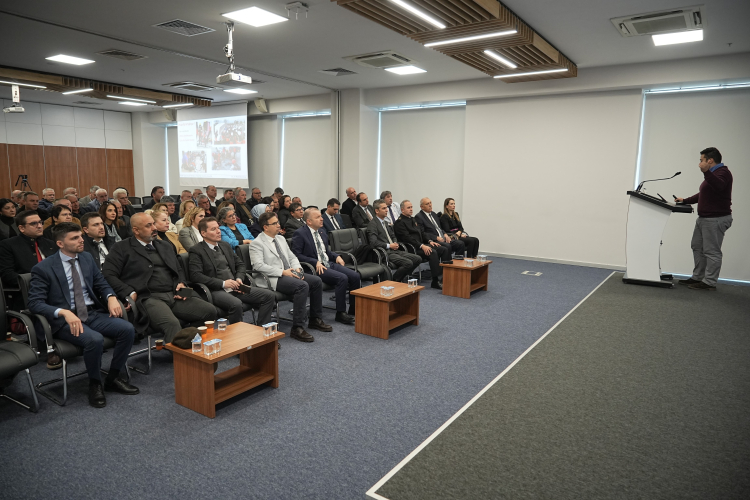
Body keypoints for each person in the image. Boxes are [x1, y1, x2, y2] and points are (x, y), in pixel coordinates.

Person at [28, 222, 138, 408]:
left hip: (91, 312)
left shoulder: (86, 258)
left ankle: (113, 377)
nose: (81, 240)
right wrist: (63, 312)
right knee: (94, 340)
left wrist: (111, 297)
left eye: (80, 236)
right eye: (75, 238)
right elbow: (34, 303)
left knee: (127, 329)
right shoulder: (43, 268)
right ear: (60, 243)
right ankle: (95, 383)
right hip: (65, 320)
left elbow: (101, 283)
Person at [102, 213, 216, 343]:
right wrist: (129, 292)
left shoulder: (164, 245)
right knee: (172, 324)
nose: (154, 228)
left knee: (209, 311)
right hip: (149, 297)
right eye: (148, 225)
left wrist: (182, 283)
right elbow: (108, 274)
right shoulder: (121, 248)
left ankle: (189, 343)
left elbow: (178, 269)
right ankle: (179, 353)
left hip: (175, 292)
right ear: (136, 230)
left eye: (154, 224)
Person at [249, 211, 331, 342]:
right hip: (273, 278)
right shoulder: (257, 243)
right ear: (265, 227)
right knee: (302, 286)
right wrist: (282, 272)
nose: (278, 225)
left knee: (316, 281)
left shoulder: (281, 239)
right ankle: (297, 328)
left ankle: (315, 319)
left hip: (289, 272)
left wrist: (298, 268)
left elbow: (292, 256)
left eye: (278, 222)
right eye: (275, 223)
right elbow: (258, 266)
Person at [188, 217, 275, 326]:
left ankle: (261, 329)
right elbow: (196, 275)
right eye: (213, 229)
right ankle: (237, 335)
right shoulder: (196, 250)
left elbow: (240, 264)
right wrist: (223, 283)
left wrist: (239, 278)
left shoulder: (224, 245)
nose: (218, 231)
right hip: (216, 290)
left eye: (218, 228)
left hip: (235, 286)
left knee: (268, 295)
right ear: (203, 233)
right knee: (236, 304)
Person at [675, 147, 733, 291]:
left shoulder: (723, 173)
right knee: (697, 246)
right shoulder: (713, 174)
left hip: (715, 219)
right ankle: (698, 277)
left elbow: (719, 186)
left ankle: (709, 282)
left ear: (710, 160)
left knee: (711, 251)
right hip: (705, 219)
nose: (699, 163)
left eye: (701, 160)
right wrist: (685, 200)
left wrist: (706, 172)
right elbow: (703, 193)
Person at [292, 208, 359, 324]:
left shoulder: (322, 232)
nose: (322, 219)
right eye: (318, 217)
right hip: (314, 268)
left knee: (355, 276)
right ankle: (341, 313)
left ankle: (353, 308)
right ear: (309, 221)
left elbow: (326, 252)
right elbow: (296, 255)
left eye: (321, 216)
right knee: (342, 278)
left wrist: (336, 256)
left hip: (328, 263)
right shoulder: (300, 233)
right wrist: (314, 262)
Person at [395, 200, 450, 289]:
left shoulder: (413, 219)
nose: (411, 209)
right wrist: (422, 246)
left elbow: (422, 233)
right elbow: (408, 238)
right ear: (402, 210)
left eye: (411, 207)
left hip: (421, 245)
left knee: (443, 249)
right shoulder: (399, 223)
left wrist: (429, 241)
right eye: (408, 208)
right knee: (432, 252)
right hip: (412, 249)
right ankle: (435, 281)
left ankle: (445, 277)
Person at [0, 210, 58, 289]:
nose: (39, 226)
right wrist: (36, 282)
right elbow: (7, 274)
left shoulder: (50, 243)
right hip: (28, 289)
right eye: (34, 223)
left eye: (40, 222)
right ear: (22, 228)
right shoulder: (8, 245)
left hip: (54, 287)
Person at [367, 199, 421, 283]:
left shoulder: (385, 223)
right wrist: (389, 245)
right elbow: (373, 242)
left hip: (394, 250)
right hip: (384, 252)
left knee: (417, 259)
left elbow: (392, 236)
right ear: (377, 211)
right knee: (408, 263)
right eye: (384, 208)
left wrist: (395, 242)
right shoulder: (373, 224)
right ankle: (394, 280)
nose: (387, 210)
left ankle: (399, 277)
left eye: (386, 208)